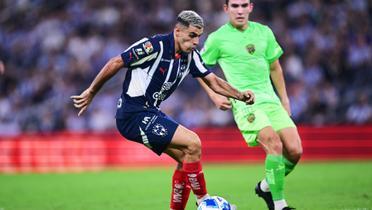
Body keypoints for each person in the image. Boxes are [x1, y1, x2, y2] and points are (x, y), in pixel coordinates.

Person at [71, 10, 254, 210]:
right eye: (192, 35)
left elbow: (212, 80)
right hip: (133, 114)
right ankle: (205, 201)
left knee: (186, 158)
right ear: (177, 31)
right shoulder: (154, 46)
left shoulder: (191, 56)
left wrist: (240, 95)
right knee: (193, 142)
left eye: (198, 37)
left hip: (150, 113)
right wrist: (91, 91)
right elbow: (116, 62)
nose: (195, 42)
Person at [199, 1, 303, 210]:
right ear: (226, 8)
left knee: (294, 151)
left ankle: (265, 187)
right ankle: (280, 205)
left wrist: (284, 99)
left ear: (251, 7)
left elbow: (275, 67)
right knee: (274, 143)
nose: (239, 10)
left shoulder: (264, 32)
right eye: (234, 5)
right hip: (245, 103)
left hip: (271, 100)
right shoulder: (217, 38)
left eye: (243, 5)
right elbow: (198, 67)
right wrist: (213, 95)